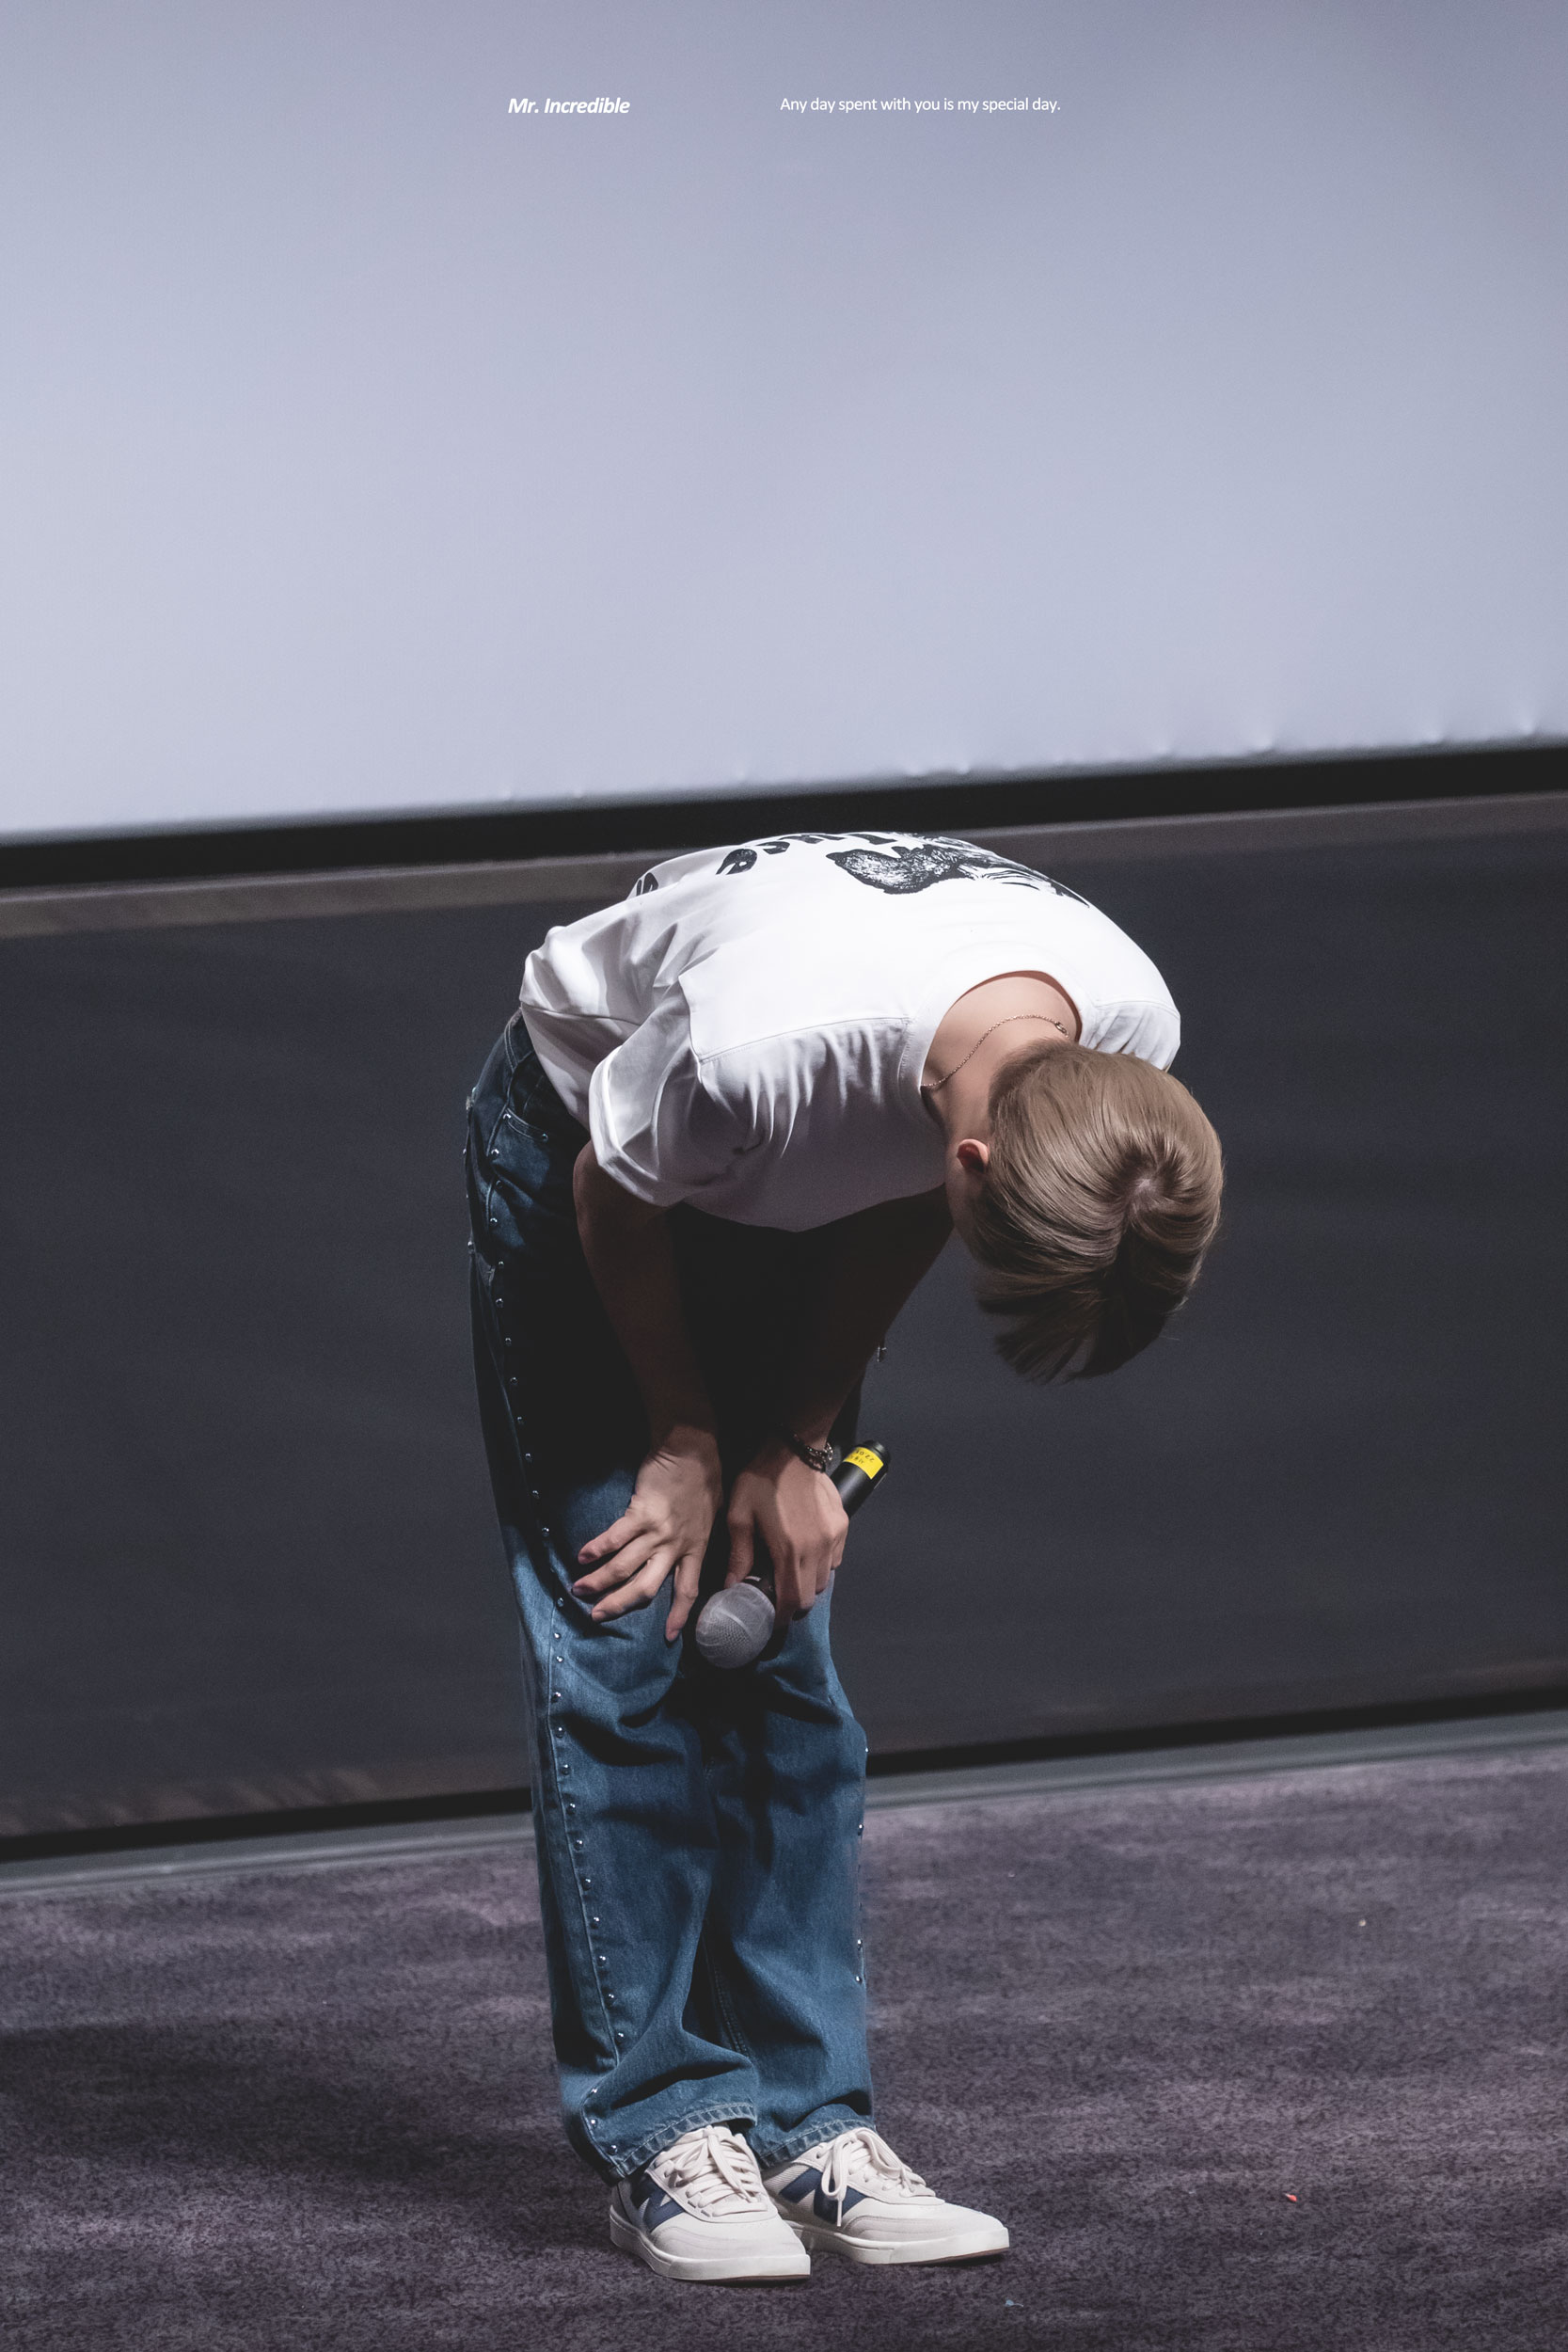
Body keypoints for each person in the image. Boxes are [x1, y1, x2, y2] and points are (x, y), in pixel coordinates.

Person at [465, 829, 1222, 2283]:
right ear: (979, 1161)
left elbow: (903, 1203)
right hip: (599, 1165)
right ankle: (664, 2131)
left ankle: (810, 2125)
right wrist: (687, 1438)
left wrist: (800, 1445)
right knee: (636, 1628)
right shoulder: (766, 1046)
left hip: (801, 1176)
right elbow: (615, 1195)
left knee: (779, 1650)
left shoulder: (1125, 1030)